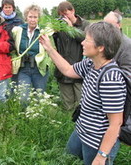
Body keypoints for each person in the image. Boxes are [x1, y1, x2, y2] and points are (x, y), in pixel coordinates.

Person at [40, 21, 126, 165]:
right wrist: (49, 48)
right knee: (68, 158)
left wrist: (101, 156)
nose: (82, 43)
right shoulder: (90, 64)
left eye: (87, 40)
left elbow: (116, 123)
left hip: (97, 141)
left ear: (100, 48)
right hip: (81, 130)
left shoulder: (111, 78)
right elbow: (68, 70)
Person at [11, 4, 52, 107]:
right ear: (26, 17)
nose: (32, 20)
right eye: (30, 17)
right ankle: (25, 118)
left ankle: (38, 120)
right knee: (23, 97)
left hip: (39, 68)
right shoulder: (18, 30)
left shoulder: (44, 32)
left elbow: (51, 49)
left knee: (39, 97)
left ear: (38, 18)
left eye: (35, 17)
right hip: (24, 68)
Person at [53, 1, 89, 111]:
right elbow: (58, 46)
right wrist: (55, 33)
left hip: (79, 70)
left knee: (81, 103)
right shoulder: (61, 26)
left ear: (73, 11)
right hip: (64, 71)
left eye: (66, 14)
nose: (64, 17)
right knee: (67, 105)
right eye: (61, 15)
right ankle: (68, 125)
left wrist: (71, 28)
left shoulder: (86, 24)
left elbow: (86, 40)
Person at [0, 0, 24, 91]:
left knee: (15, 73)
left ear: (13, 8)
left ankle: (14, 95)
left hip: (16, 51)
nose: (8, 9)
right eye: (6, 7)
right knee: (4, 74)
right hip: (3, 51)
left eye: (10, 7)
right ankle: (3, 95)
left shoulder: (19, 21)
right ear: (2, 8)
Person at [104, 11, 131, 78]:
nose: (107, 28)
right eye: (104, 25)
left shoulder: (127, 45)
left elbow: (127, 73)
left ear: (119, 25)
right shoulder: (104, 41)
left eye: (110, 25)